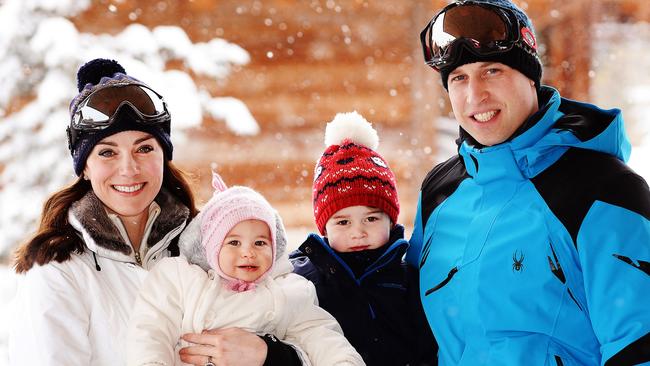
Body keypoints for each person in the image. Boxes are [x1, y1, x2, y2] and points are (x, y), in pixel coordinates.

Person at [8, 58, 301, 366]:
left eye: (144, 148)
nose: (129, 168)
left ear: (164, 156)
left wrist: (271, 355)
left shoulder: (214, 244)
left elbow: (307, 330)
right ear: (85, 168)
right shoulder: (59, 271)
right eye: (107, 152)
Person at [407, 1, 650, 365]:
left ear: (531, 78)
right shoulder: (440, 193)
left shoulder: (603, 190)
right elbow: (410, 329)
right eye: (459, 78)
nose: (475, 95)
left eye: (492, 71)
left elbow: (638, 345)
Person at [127, 171, 365, 366]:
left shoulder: (288, 292)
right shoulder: (182, 280)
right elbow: (151, 331)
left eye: (260, 242)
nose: (248, 252)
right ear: (211, 247)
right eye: (233, 242)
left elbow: (321, 338)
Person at [290, 111, 437, 366]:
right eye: (343, 222)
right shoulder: (303, 281)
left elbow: (428, 348)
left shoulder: (409, 280)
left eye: (371, 219)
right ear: (324, 228)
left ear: (391, 221)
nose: (358, 232)